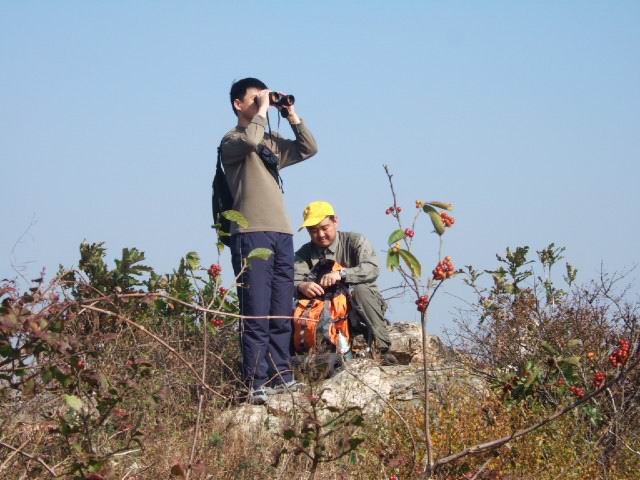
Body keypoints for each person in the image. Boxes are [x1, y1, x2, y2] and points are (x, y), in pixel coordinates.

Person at [220, 78, 318, 403]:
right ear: (238, 104)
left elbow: (308, 148)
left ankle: (281, 375)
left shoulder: (269, 142)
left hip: (282, 232)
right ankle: (255, 382)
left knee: (280, 311)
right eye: (254, 98)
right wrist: (263, 110)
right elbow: (250, 140)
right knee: (256, 311)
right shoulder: (232, 140)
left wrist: (290, 114)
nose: (261, 102)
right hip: (251, 233)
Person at [294, 201, 396, 364]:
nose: (320, 234)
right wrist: (301, 286)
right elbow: (291, 281)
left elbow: (372, 268)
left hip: (359, 306)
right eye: (313, 231)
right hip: (325, 312)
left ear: (335, 221)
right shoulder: (303, 253)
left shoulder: (355, 241)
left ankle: (382, 349)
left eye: (324, 228)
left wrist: (342, 274)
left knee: (360, 290)